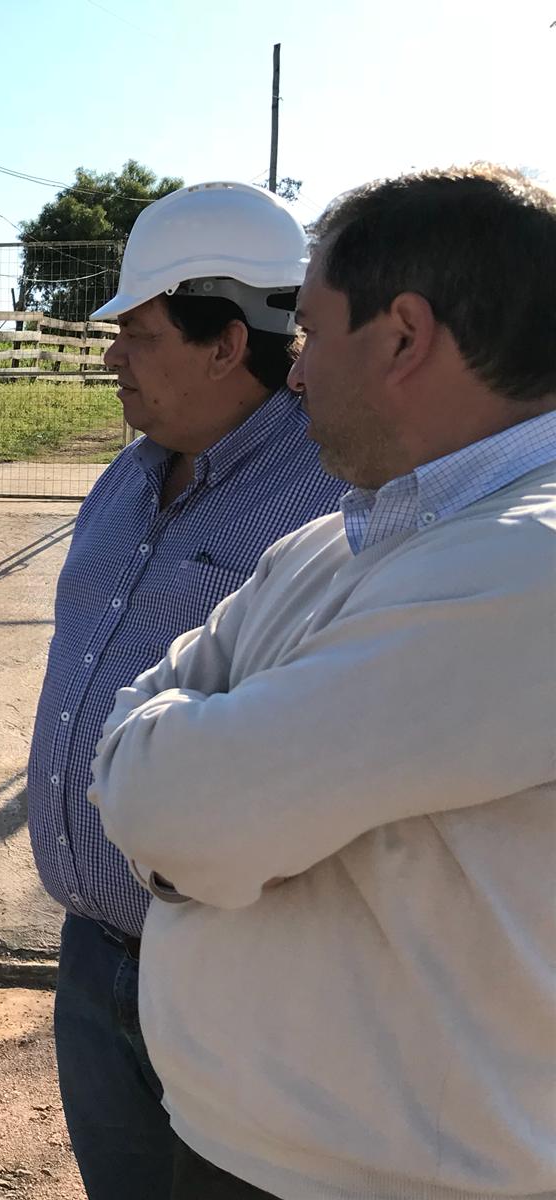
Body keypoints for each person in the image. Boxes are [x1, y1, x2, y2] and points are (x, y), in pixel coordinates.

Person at [90, 164, 556, 1199]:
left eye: (306, 331)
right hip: (249, 1151)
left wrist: (179, 801)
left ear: (400, 335)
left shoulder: (530, 565)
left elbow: (178, 804)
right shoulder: (338, 541)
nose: (291, 374)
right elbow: (137, 725)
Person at [22, 181, 346, 1198]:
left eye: (139, 330)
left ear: (226, 340)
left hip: (238, 966)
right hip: (89, 957)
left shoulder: (335, 491)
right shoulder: (127, 473)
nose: (110, 354)